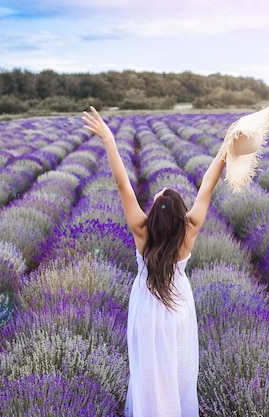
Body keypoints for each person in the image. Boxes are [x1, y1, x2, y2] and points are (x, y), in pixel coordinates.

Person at [82, 107, 228, 417]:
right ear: (180, 214)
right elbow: (208, 184)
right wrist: (226, 148)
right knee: (179, 368)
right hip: (177, 306)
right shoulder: (189, 229)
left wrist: (109, 138)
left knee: (147, 372)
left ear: (154, 212)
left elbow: (123, 184)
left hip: (147, 307)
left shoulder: (141, 229)